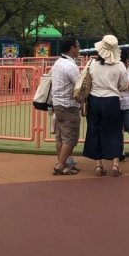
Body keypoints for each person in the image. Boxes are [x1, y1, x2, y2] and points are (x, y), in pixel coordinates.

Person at [82, 35, 129, 177]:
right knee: (115, 131)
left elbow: (85, 81)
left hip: (94, 99)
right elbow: (124, 85)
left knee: (95, 130)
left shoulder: (91, 64)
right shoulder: (119, 65)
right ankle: (115, 164)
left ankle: (98, 165)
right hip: (112, 99)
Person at [50, 37, 83, 175]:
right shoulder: (71, 66)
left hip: (58, 104)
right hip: (69, 106)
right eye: (78, 46)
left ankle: (63, 162)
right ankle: (60, 166)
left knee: (61, 136)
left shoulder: (58, 63)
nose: (79, 49)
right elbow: (80, 86)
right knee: (70, 138)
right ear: (72, 48)